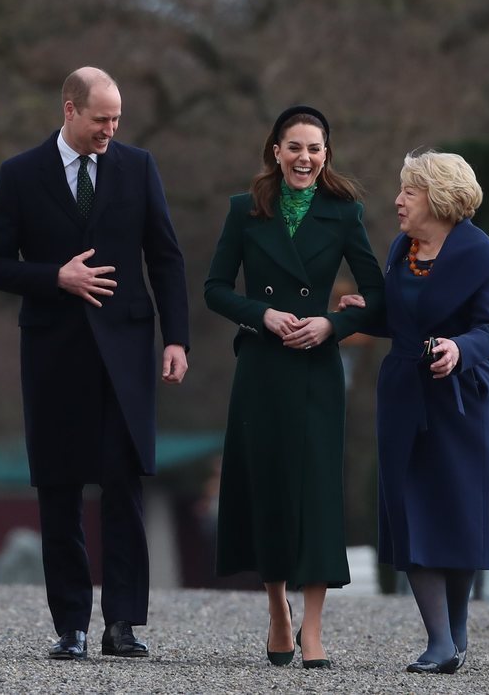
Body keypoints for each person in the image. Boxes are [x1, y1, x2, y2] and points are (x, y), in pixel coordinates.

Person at [0, 66, 190, 661]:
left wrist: (177, 339)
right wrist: (55, 277)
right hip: (53, 355)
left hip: (125, 353)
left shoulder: (138, 167)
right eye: (101, 119)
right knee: (59, 491)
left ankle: (123, 623)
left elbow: (166, 258)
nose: (111, 129)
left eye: (117, 119)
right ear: (69, 110)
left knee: (124, 488)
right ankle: (70, 624)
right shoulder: (19, 175)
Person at [204, 105, 385, 669]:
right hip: (261, 369)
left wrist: (333, 323)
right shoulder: (244, 211)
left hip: (317, 371)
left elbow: (378, 297)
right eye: (294, 147)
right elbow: (214, 288)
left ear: (326, 154)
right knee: (270, 489)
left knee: (316, 496)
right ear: (275, 152)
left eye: (314, 148)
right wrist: (262, 315)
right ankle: (277, 612)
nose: (304, 157)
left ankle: (312, 629)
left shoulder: (345, 212)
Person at [340, 151, 489, 674]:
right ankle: (438, 639)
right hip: (403, 395)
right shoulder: (401, 249)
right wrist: (367, 315)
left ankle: (455, 632)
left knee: (457, 515)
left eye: (408, 191)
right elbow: (404, 318)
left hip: (463, 400)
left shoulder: (483, 256)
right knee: (410, 511)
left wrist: (459, 349)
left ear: (438, 197)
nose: (398, 200)